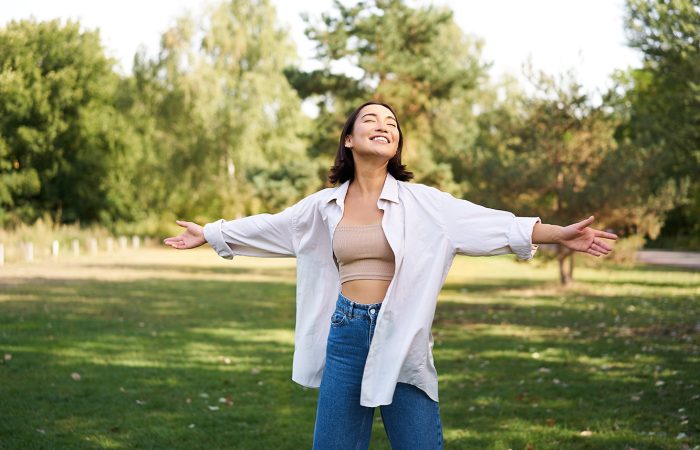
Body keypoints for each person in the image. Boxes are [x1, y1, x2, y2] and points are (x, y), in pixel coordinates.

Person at [163, 101, 618, 449]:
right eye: (371, 120)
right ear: (348, 139)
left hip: (402, 334)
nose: (384, 126)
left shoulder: (425, 204)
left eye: (392, 124)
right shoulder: (323, 206)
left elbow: (493, 223)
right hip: (345, 333)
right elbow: (273, 225)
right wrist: (209, 232)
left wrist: (559, 234)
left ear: (397, 144)